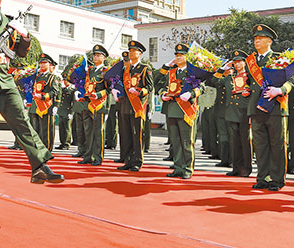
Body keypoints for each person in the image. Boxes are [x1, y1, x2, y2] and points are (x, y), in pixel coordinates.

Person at [0, 14, 64, 212]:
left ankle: (40, 166)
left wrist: (25, 36)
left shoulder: (6, 21)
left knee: (23, 122)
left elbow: (20, 53)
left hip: (4, 81)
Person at [247, 24, 294, 192]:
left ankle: (276, 179)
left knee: (277, 145)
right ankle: (262, 177)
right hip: (256, 108)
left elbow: (291, 82)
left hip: (275, 108)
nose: (256, 42)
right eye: (255, 39)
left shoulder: (280, 58)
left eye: (260, 39)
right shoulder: (251, 61)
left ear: (269, 41)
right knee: (260, 146)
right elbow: (248, 83)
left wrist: (279, 90)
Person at [157, 43, 204, 179]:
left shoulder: (193, 71)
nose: (178, 58)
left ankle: (187, 169)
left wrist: (191, 94)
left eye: (181, 55)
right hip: (172, 109)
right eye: (177, 55)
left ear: (187, 57)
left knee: (187, 141)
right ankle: (177, 168)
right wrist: (162, 94)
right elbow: (158, 82)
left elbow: (201, 88)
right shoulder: (171, 72)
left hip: (186, 110)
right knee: (176, 141)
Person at [210, 50, 253, 177]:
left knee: (245, 142)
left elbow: (256, 91)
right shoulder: (230, 77)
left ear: (245, 63)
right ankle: (236, 167)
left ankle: (246, 168)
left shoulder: (250, 77)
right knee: (234, 142)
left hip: (244, 112)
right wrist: (223, 69)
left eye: (239, 61)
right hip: (231, 112)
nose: (237, 64)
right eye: (235, 62)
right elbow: (213, 80)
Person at [117, 40, 154, 171]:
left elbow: (149, 87)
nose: (131, 53)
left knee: (137, 134)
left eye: (134, 51)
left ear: (140, 53)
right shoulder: (126, 69)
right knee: (126, 134)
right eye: (130, 50)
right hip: (125, 105)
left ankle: (137, 161)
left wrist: (139, 92)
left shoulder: (145, 68)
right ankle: (127, 160)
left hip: (137, 105)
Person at [79, 45, 109, 166]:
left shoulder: (106, 71)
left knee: (98, 132)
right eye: (95, 55)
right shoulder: (90, 70)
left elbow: (109, 88)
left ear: (104, 57)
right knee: (88, 131)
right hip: (88, 103)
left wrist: (98, 94)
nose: (96, 57)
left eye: (99, 55)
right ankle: (87, 156)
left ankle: (98, 157)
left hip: (99, 104)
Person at [31, 54, 60, 151]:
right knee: (36, 129)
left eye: (45, 63)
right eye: (41, 63)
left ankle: (47, 149)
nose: (42, 65)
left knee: (46, 130)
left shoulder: (52, 77)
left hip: (46, 106)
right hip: (35, 106)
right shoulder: (37, 76)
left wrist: (44, 97)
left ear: (49, 64)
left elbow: (55, 91)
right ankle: (38, 148)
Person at [57, 80, 74, 149]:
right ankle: (62, 143)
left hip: (67, 111)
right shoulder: (62, 89)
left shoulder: (72, 90)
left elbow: (73, 102)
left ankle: (66, 144)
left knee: (67, 128)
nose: (65, 82)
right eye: (64, 81)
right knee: (61, 128)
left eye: (66, 81)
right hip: (61, 111)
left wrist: (71, 112)